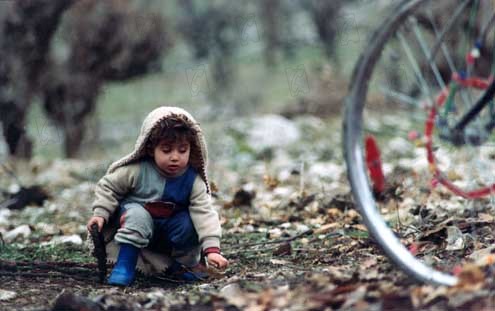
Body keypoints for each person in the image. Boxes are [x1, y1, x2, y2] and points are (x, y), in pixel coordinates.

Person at [86, 106, 228, 286]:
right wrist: (100, 214)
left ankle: (184, 266)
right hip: (135, 230)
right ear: (151, 148)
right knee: (137, 215)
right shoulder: (137, 171)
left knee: (189, 223)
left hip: (170, 235)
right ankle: (125, 264)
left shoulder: (193, 181)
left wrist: (212, 248)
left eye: (182, 150)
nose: (175, 157)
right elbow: (109, 187)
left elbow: (205, 213)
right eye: (166, 150)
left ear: (192, 149)